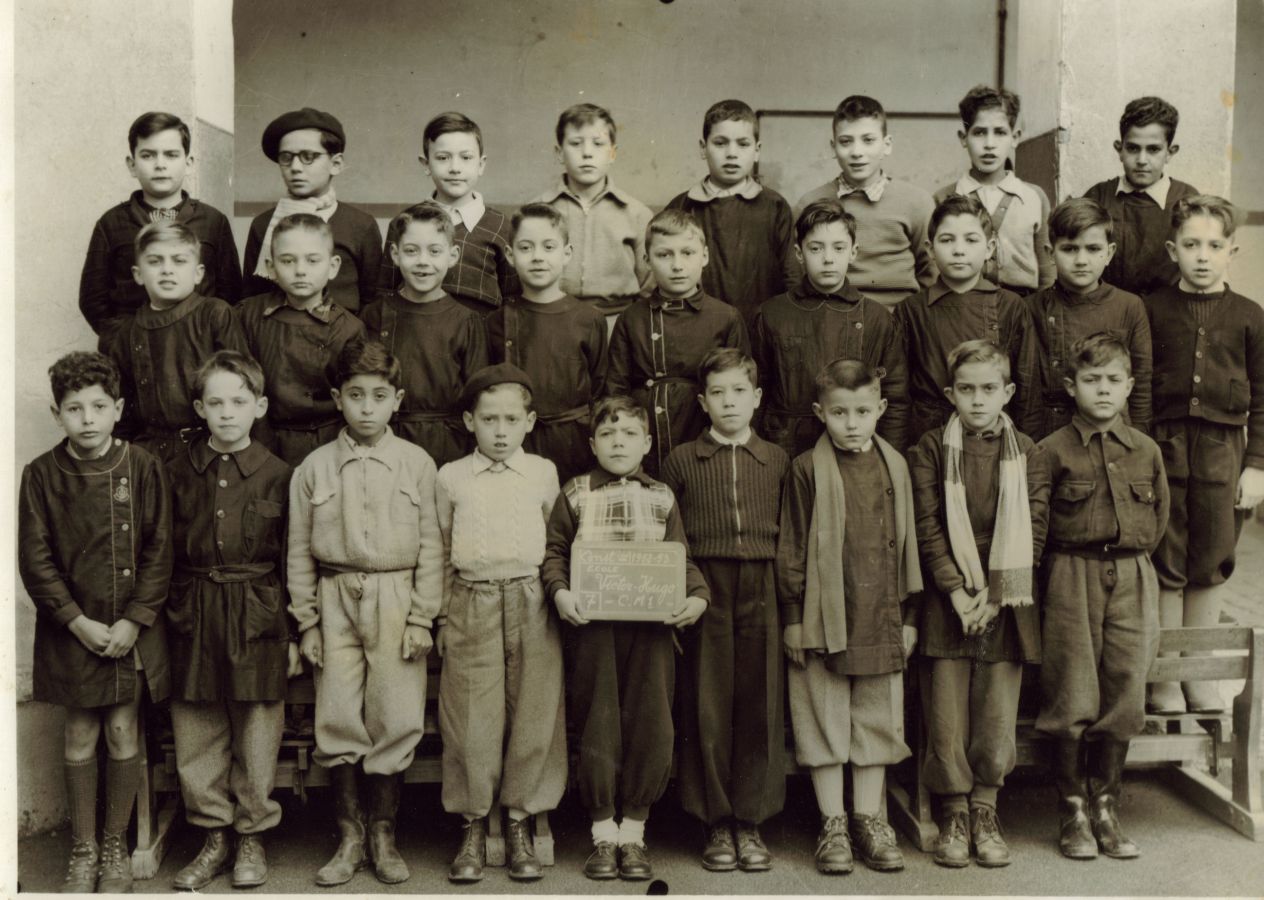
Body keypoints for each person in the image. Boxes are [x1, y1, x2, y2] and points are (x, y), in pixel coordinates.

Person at [287, 339, 443, 886]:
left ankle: (383, 834)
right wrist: (308, 622)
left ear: (397, 400)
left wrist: (422, 617)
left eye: (379, 396)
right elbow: (298, 550)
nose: (367, 408)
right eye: (355, 396)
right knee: (337, 712)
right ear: (338, 399)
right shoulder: (314, 467)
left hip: (397, 596)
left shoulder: (417, 464)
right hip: (334, 596)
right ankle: (349, 837)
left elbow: (433, 546)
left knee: (396, 714)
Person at [18, 351, 172, 893]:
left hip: (127, 630)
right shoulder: (41, 475)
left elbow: (159, 549)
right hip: (73, 631)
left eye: (99, 406)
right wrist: (76, 622)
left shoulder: (142, 466)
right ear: (56, 413)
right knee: (80, 733)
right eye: (74, 408)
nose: (87, 418)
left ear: (118, 409)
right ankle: (83, 850)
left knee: (124, 729)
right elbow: (35, 560)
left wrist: (134, 620)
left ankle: (114, 846)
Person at [542, 396, 710, 882]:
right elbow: (554, 553)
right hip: (595, 632)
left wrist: (697, 596)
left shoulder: (662, 496)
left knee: (651, 723)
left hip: (652, 633)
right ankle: (602, 833)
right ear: (592, 443)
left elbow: (681, 556)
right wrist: (560, 592)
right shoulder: (575, 492)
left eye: (630, 434)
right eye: (608, 434)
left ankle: (634, 832)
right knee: (599, 723)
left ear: (648, 443)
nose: (618, 443)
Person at [907, 340, 1050, 868]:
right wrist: (956, 590)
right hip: (948, 599)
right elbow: (926, 526)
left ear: (1007, 392)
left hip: (1006, 599)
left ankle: (986, 809)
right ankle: (953, 813)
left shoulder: (1029, 452)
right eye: (966, 389)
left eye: (989, 388)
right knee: (945, 715)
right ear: (950, 394)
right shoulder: (929, 450)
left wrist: (992, 597)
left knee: (995, 714)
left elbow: (1035, 530)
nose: (977, 399)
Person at [777, 358, 919, 874]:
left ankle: (868, 820)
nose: (852, 423)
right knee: (823, 714)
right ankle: (833, 822)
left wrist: (909, 617)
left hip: (880, 613)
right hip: (822, 615)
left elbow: (909, 548)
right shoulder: (806, 469)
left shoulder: (895, 466)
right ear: (821, 413)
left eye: (862, 411)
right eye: (839, 413)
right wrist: (794, 617)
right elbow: (792, 547)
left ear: (880, 408)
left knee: (876, 717)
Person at [166, 351, 300, 890]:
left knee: (256, 724)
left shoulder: (279, 475)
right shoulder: (177, 472)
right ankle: (213, 835)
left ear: (259, 407)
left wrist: (294, 632)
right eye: (216, 402)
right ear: (199, 408)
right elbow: (162, 552)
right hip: (193, 607)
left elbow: (292, 558)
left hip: (258, 612)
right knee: (197, 724)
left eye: (239, 402)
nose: (227, 412)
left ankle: (251, 834)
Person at [1034, 332, 1168, 860]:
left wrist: (1130, 562)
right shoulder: (1050, 451)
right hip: (1072, 574)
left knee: (1127, 684)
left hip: (1132, 575)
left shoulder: (1146, 451)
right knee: (1072, 690)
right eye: (1092, 380)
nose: (1104, 389)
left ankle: (1107, 807)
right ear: (1072, 387)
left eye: (1114, 380)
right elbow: (1038, 527)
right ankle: (1072, 810)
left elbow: (1158, 519)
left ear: (1130, 386)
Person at [434, 364, 567, 884]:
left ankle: (519, 821)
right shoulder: (451, 477)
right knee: (471, 718)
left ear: (529, 422)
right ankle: (472, 822)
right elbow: (442, 548)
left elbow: (555, 541)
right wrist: (442, 615)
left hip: (532, 599)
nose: (500, 430)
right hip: (473, 599)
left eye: (512, 419)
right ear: (470, 421)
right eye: (489, 419)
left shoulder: (543, 473)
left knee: (535, 711)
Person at [661, 348, 790, 872]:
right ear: (702, 402)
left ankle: (750, 820)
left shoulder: (776, 460)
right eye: (718, 393)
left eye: (739, 392)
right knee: (707, 700)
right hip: (706, 586)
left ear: (756, 398)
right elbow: (671, 536)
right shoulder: (682, 461)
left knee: (759, 700)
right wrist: (687, 587)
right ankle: (714, 820)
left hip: (762, 584)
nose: (729, 402)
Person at [1145, 195, 1264, 714]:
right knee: (1165, 557)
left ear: (1232, 251)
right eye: (1191, 244)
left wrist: (1257, 467)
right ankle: (1165, 679)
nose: (1202, 255)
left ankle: (1199, 675)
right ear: (1173, 250)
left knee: (1212, 557)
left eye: (1215, 246)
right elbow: (1139, 388)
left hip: (1223, 450)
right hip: (1164, 446)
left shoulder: (1250, 317)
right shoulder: (1152, 310)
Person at [752, 200, 909, 455]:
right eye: (816, 248)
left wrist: (887, 459)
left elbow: (895, 398)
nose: (827, 259)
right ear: (799, 253)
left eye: (838, 248)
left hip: (855, 450)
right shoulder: (772, 314)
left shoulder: (876, 318)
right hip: (785, 447)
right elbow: (757, 393)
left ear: (853, 252)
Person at [80, 111, 242, 350]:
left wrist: (207, 334)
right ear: (132, 165)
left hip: (198, 347)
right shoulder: (111, 223)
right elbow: (93, 298)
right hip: (135, 350)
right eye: (148, 155)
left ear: (189, 163)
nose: (160, 164)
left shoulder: (213, 221)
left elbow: (231, 292)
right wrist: (122, 339)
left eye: (171, 154)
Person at [607, 208, 748, 475]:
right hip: (646, 440)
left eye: (687, 253)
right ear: (647, 260)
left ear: (704, 256)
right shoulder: (631, 318)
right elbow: (616, 390)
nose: (677, 265)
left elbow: (739, 388)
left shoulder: (725, 317)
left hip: (702, 435)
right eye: (664, 255)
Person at [896, 194, 1036, 442]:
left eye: (971, 240)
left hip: (994, 435)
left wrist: (1026, 447)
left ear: (989, 248)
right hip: (929, 435)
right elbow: (899, 389)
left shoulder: (1010, 306)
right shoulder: (911, 310)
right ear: (930, 249)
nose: (959, 250)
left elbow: (1027, 387)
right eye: (947, 240)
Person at [107, 221, 248, 464]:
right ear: (138, 274)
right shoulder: (126, 332)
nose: (167, 270)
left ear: (198, 273)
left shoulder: (214, 315)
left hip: (211, 448)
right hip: (149, 452)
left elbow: (244, 387)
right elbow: (120, 409)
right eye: (155, 261)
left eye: (179, 261)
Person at [488, 203, 608, 484]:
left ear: (566, 254)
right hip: (516, 443)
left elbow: (601, 389)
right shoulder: (496, 321)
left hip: (574, 444)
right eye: (526, 248)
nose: (537, 257)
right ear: (510, 255)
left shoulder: (589, 319)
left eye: (549, 247)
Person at [361, 201, 488, 468]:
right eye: (411, 251)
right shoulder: (374, 315)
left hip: (449, 445)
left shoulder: (466, 321)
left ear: (452, 256)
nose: (423, 261)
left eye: (434, 251)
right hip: (385, 440)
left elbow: (477, 397)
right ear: (395, 254)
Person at [237, 213, 367, 466]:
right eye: (287, 260)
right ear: (271, 267)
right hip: (258, 440)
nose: (300, 270)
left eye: (312, 260)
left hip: (326, 446)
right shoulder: (247, 315)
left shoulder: (349, 328)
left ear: (333, 266)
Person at [1024, 198, 1151, 441]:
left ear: (1109, 253)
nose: (1081, 260)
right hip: (1050, 434)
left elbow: (1142, 386)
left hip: (1112, 435)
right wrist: (1030, 447)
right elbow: (1026, 388)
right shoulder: (1031, 309)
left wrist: (1137, 444)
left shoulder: (1129, 306)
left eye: (1093, 249)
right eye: (1070, 249)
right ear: (1050, 253)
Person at [666, 99, 799, 325]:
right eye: (720, 143)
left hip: (761, 329)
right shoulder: (682, 207)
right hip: (698, 328)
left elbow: (792, 277)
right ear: (703, 148)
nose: (731, 153)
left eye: (743, 144)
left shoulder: (775, 206)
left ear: (757, 151)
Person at [796, 95, 936, 309]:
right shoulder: (810, 203)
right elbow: (799, 275)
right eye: (846, 141)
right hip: (832, 314)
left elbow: (931, 273)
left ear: (886, 145)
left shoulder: (917, 203)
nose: (857, 152)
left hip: (899, 317)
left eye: (868, 140)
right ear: (833, 147)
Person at [242, 107, 382, 313]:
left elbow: (373, 302)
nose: (295, 167)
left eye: (308, 156)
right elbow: (250, 299)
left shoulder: (361, 225)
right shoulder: (263, 224)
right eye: (286, 157)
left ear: (336, 164)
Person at [378, 112, 517, 315]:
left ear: (481, 165)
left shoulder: (501, 226)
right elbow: (385, 294)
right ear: (426, 164)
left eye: (466, 157)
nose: (455, 168)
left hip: (481, 332)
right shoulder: (404, 223)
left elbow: (512, 299)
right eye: (443, 158)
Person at [532, 103, 653, 321]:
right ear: (559, 153)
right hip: (551, 320)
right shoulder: (536, 211)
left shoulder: (637, 214)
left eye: (598, 143)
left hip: (618, 322)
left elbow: (650, 285)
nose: (587, 153)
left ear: (612, 153)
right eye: (576, 143)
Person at [934, 85, 1054, 295]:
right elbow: (935, 266)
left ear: (1015, 137)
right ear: (963, 138)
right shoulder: (944, 197)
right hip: (962, 302)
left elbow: (1047, 271)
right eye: (979, 133)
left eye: (1000, 132)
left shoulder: (1034, 197)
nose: (989, 144)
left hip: (1023, 305)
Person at [1082, 96, 1199, 296]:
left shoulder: (1187, 199)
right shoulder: (1098, 197)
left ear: (1170, 152)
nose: (1142, 160)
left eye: (1153, 149)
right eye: (1133, 148)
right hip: (1107, 308)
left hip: (1169, 310)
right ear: (1119, 149)